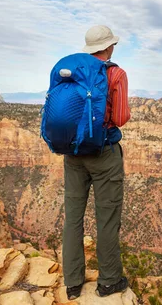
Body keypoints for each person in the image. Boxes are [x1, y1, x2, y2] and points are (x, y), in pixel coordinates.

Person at [63, 25, 131, 299]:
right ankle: (109, 282)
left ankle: (72, 283)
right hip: (104, 154)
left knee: (73, 218)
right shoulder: (116, 73)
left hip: (73, 153)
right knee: (107, 219)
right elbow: (121, 117)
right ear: (110, 46)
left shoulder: (72, 71)